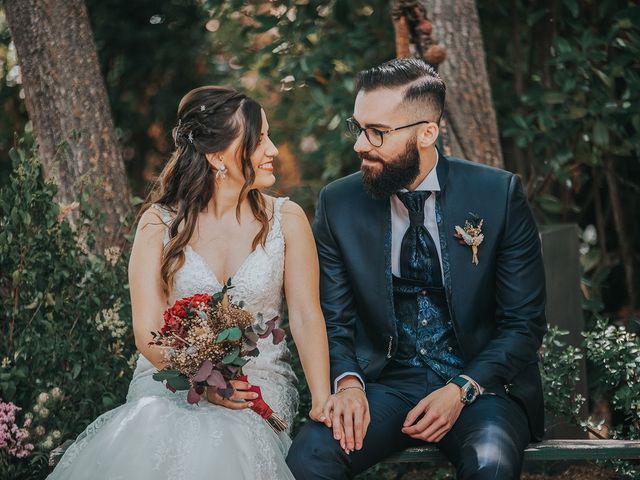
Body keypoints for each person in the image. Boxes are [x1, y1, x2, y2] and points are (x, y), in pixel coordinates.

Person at [48, 86, 331, 480]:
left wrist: (322, 400)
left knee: (232, 439)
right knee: (155, 425)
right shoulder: (158, 224)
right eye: (260, 138)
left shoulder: (288, 219)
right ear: (218, 157)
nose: (273, 150)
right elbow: (148, 332)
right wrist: (204, 381)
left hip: (258, 385)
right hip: (167, 381)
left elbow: (305, 315)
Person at [287, 58, 547, 480]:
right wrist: (349, 384)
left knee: (491, 466)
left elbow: (524, 324)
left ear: (427, 133)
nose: (360, 145)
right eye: (358, 128)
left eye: (378, 132)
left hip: (480, 387)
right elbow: (334, 319)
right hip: (385, 386)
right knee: (308, 459)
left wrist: (461, 388)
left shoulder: (498, 194)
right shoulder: (338, 204)